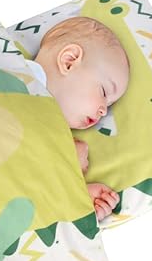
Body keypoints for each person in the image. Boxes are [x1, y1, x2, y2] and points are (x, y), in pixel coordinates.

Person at [27, 16, 130, 220]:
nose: (104, 111)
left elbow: (26, 184)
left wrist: (79, 196)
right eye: (103, 92)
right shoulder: (13, 74)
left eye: (109, 105)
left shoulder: (50, 128)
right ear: (69, 61)